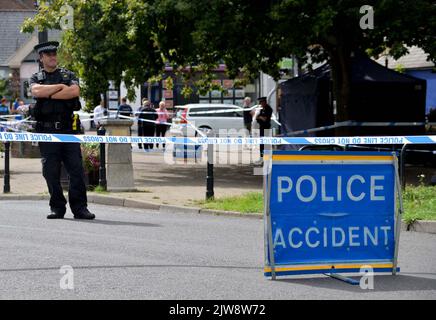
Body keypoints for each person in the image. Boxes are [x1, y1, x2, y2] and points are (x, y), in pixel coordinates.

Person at [29, 41, 95, 220]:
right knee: (50, 172)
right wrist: (59, 88)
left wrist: (48, 93)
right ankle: (57, 207)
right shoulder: (36, 78)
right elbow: (36, 91)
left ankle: (80, 208)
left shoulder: (68, 75)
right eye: (48, 54)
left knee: (76, 170)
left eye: (54, 53)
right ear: (41, 58)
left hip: (68, 131)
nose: (53, 57)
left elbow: (73, 92)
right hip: (47, 132)